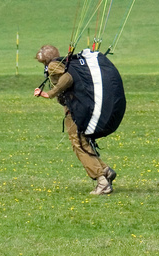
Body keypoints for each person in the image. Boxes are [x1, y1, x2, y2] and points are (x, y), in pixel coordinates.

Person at [33, 44, 117, 195]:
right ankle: (105, 171)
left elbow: (68, 78)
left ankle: (102, 182)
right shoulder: (64, 62)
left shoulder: (53, 65)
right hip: (81, 107)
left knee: (78, 144)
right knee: (83, 142)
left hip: (75, 110)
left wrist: (51, 93)